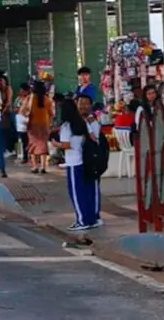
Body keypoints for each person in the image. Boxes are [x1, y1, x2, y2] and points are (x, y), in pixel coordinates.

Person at [52, 97, 100, 231]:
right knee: (85, 192)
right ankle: (91, 219)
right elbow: (93, 137)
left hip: (73, 163)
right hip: (85, 160)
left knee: (76, 194)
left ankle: (82, 220)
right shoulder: (83, 122)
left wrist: (56, 144)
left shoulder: (66, 126)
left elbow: (66, 145)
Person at [77, 92, 103, 225]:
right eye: (80, 103)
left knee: (93, 187)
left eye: (85, 103)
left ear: (90, 106)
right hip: (79, 160)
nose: (82, 106)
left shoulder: (93, 122)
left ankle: (96, 215)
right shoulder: (77, 121)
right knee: (83, 188)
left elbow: (95, 139)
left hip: (92, 160)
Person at [24, 80, 55, 174]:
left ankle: (34, 167)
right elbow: (51, 114)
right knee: (43, 146)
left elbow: (24, 110)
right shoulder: (47, 99)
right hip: (44, 125)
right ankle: (43, 167)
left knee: (33, 145)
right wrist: (49, 124)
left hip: (32, 125)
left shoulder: (29, 98)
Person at [14, 83, 31, 162]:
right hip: (20, 120)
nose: (21, 92)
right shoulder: (18, 99)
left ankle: (29, 155)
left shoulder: (31, 98)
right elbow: (15, 109)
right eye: (21, 91)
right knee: (20, 139)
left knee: (29, 138)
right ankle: (21, 156)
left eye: (23, 91)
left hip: (29, 119)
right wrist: (20, 110)